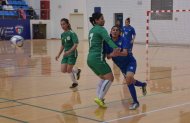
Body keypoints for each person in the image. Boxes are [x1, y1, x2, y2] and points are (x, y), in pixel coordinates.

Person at [104, 25, 147, 110]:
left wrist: (115, 53)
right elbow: (108, 56)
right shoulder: (107, 42)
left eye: (117, 30)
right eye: (113, 30)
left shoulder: (123, 39)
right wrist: (112, 54)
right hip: (121, 66)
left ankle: (136, 102)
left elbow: (125, 53)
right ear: (110, 31)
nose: (115, 31)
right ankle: (143, 85)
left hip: (130, 62)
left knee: (128, 79)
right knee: (131, 81)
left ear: (120, 32)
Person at [87, 12, 120, 108]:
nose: (103, 20)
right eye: (101, 18)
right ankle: (100, 98)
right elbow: (108, 40)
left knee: (103, 77)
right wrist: (116, 47)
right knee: (110, 78)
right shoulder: (101, 29)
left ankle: (99, 97)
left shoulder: (92, 30)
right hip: (97, 58)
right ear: (96, 20)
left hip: (90, 59)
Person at [55, 18, 81, 88]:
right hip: (66, 54)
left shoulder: (72, 33)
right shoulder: (62, 34)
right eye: (61, 24)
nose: (62, 26)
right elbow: (63, 45)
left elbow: (76, 44)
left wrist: (69, 51)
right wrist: (58, 54)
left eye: (63, 24)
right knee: (63, 70)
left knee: (69, 70)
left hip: (72, 54)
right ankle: (77, 71)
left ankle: (75, 83)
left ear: (67, 24)